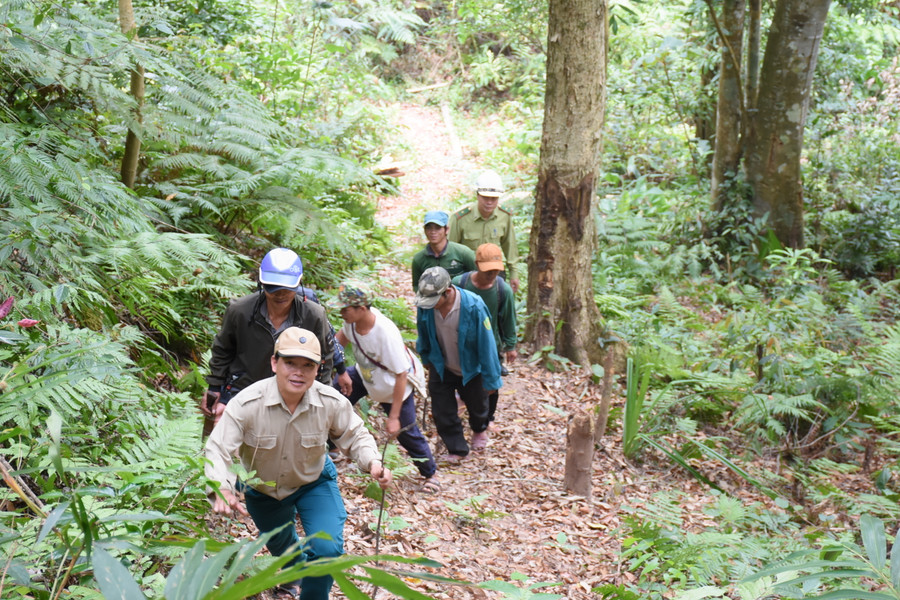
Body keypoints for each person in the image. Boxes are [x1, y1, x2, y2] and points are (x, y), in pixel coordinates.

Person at [205, 327, 392, 600]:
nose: (298, 372)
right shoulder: (247, 403)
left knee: (327, 552)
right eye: (290, 362)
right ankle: (296, 575)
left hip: (313, 481)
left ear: (318, 369)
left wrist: (373, 462)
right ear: (274, 363)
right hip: (264, 490)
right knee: (287, 554)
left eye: (308, 365)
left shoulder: (329, 401)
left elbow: (355, 434)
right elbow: (218, 448)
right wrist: (220, 486)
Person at [201, 248, 338, 429]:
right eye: (273, 287)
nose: (280, 294)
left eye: (286, 288)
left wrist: (321, 397)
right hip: (241, 391)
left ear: (298, 284)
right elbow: (223, 350)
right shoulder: (240, 311)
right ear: (262, 283)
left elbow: (324, 359)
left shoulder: (313, 315)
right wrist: (214, 388)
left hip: (292, 396)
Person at [332, 284, 439, 493]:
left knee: (405, 431)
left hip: (392, 386)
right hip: (365, 375)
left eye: (346, 308)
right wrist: (340, 370)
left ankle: (430, 473)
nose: (341, 313)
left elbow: (401, 374)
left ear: (362, 308)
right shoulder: (351, 323)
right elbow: (337, 343)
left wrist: (394, 417)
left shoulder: (385, 333)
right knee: (334, 397)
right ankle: (331, 446)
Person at [414, 266, 501, 461]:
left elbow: (487, 345)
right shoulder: (426, 306)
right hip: (442, 363)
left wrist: (491, 379)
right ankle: (457, 448)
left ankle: (479, 429)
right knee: (442, 409)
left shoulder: (473, 306)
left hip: (471, 367)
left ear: (447, 292)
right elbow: (423, 333)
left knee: (478, 406)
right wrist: (426, 358)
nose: (430, 304)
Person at [452, 243, 518, 428]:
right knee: (463, 378)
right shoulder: (460, 284)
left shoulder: (502, 290)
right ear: (476, 264)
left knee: (491, 382)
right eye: (487, 270)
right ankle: (465, 407)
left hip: (491, 344)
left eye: (496, 270)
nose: (491, 274)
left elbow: (508, 319)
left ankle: (488, 417)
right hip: (461, 342)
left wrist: (510, 346)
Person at [448, 170, 520, 293]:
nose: (489, 202)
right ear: (477, 195)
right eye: (485, 197)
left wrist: (514, 273)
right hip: (468, 273)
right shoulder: (461, 218)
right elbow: (450, 250)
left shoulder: (504, 216)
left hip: (494, 271)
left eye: (494, 198)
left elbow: (510, 246)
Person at [411, 210, 476, 292]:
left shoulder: (463, 253)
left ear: (446, 229)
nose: (433, 232)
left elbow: (477, 277)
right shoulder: (419, 259)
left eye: (437, 228)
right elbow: (416, 285)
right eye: (429, 228)